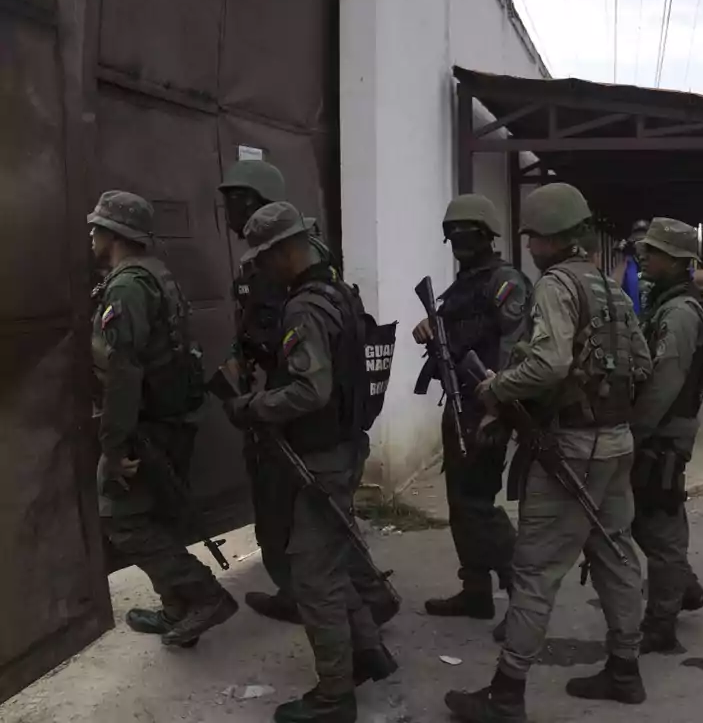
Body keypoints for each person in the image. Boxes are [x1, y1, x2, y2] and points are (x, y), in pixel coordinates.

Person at [444, 183, 653, 722]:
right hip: (615, 440)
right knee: (616, 552)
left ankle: (506, 693)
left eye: (532, 236)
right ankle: (625, 670)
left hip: (572, 445)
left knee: (536, 571)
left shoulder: (556, 286)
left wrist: (497, 389)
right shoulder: (611, 288)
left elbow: (548, 365)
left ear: (548, 236)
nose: (529, 246)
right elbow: (643, 364)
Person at [226, 202, 395, 723]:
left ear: (283, 251)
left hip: (320, 456)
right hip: (344, 448)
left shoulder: (303, 307)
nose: (261, 268)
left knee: (314, 579)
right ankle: (369, 651)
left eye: (263, 257)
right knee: (333, 560)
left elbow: (310, 390)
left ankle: (334, 697)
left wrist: (251, 407)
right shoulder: (339, 291)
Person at [90, 191, 239, 648]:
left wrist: (114, 449)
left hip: (145, 424)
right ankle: (179, 610)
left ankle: (203, 596)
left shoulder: (127, 287)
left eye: (97, 228)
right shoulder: (156, 274)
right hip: (170, 418)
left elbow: (123, 373)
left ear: (114, 234)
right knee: (158, 515)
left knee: (125, 523)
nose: (91, 235)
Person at [414, 195, 531, 630]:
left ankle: (523, 599)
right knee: (461, 504)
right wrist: (429, 328)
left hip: (487, 407)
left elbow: (513, 351)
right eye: (454, 234)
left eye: (469, 233)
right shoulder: (464, 284)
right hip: (460, 404)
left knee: (478, 504)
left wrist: (496, 411)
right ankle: (476, 591)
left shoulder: (506, 283)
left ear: (488, 235)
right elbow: (454, 334)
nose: (460, 241)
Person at [629, 218, 703, 654]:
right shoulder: (665, 301)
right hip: (660, 431)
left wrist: (635, 432)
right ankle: (684, 588)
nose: (645, 257)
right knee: (651, 519)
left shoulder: (679, 311)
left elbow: (665, 379)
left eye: (654, 252)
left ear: (677, 262)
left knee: (658, 526)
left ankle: (660, 624)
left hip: (662, 433)